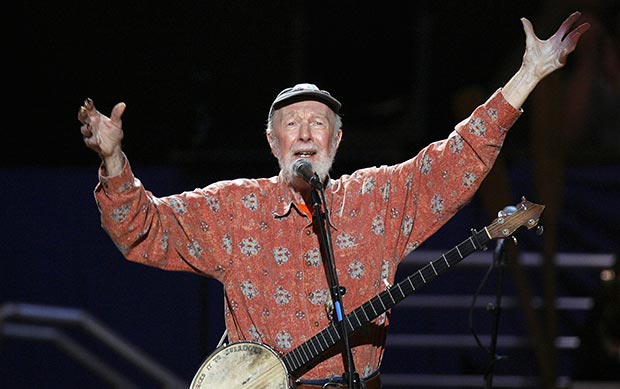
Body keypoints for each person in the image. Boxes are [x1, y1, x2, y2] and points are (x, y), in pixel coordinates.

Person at [78, 12, 590, 389]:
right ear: (274, 144)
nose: (304, 134)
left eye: (317, 123)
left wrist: (529, 75)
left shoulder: (376, 200)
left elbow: (457, 158)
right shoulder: (233, 210)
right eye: (291, 126)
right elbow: (141, 228)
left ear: (336, 141)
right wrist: (114, 160)